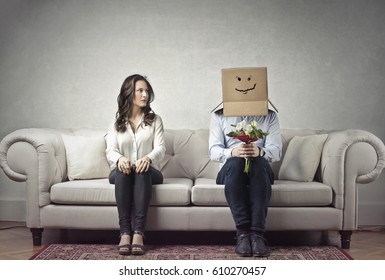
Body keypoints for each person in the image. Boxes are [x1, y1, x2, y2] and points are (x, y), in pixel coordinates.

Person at [209, 109, 282, 257]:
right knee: (236, 162)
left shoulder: (270, 116)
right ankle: (242, 234)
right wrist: (232, 152)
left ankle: (257, 235)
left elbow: (276, 151)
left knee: (257, 161)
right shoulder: (219, 115)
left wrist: (260, 151)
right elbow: (213, 151)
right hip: (230, 169)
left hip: (259, 168)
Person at [106, 74, 166, 255]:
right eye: (140, 90)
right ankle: (125, 232)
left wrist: (148, 158)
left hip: (149, 172)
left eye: (147, 91)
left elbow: (161, 148)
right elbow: (110, 150)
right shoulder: (116, 123)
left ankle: (139, 232)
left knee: (141, 169)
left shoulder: (155, 120)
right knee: (124, 171)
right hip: (121, 172)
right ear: (129, 93)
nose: (145, 95)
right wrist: (120, 159)